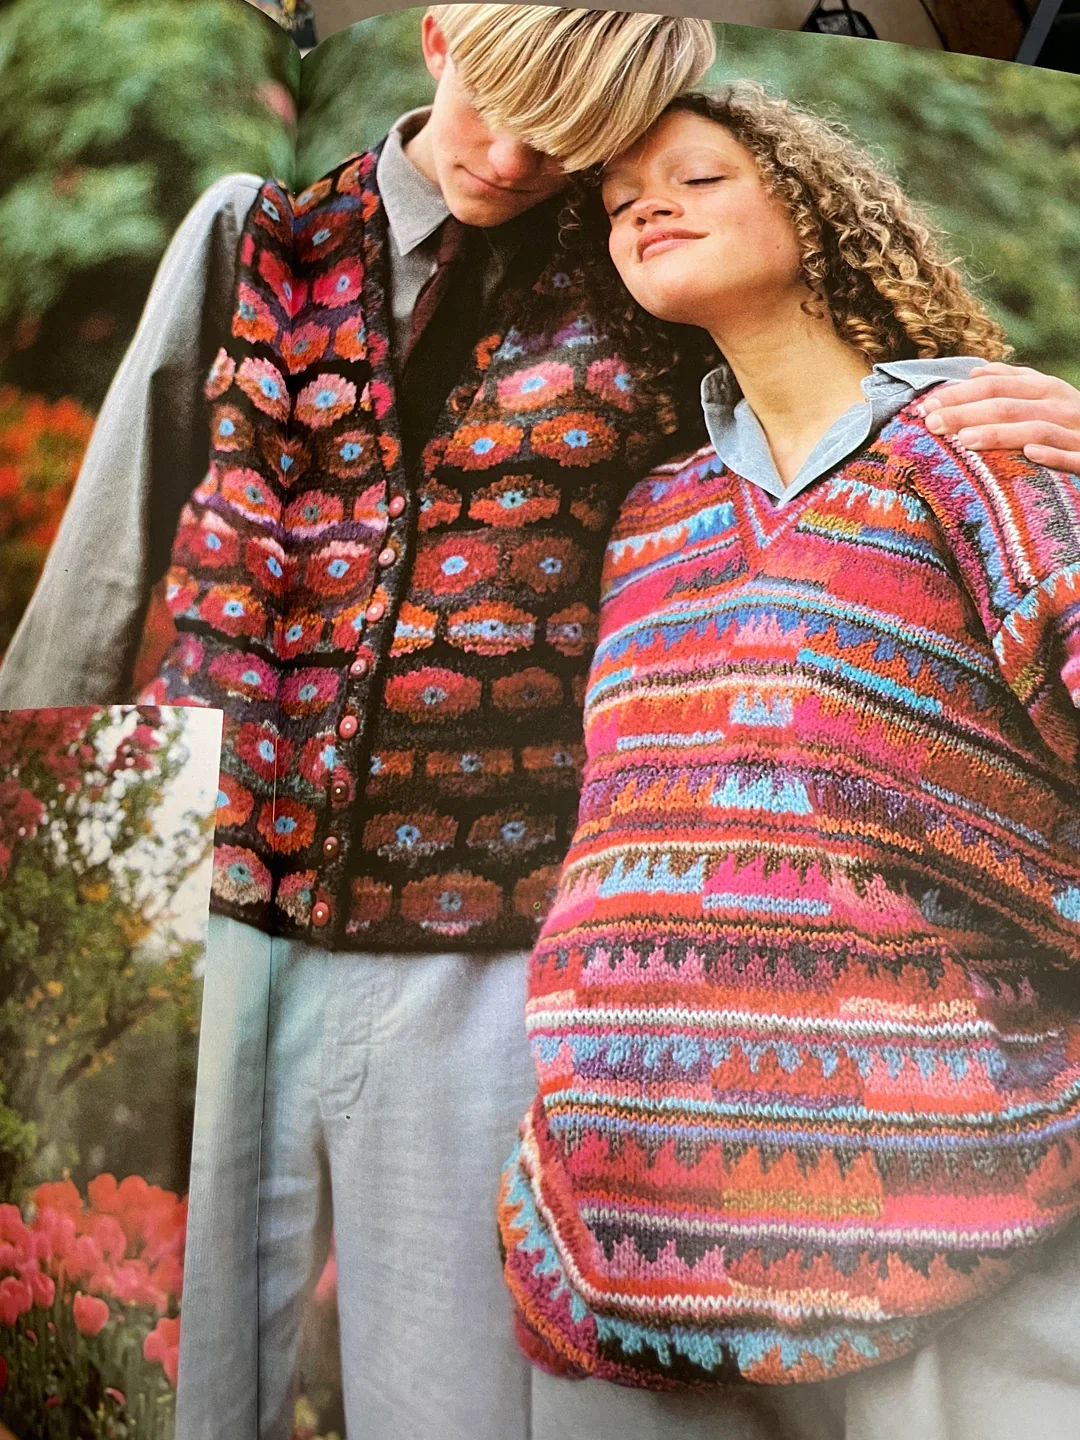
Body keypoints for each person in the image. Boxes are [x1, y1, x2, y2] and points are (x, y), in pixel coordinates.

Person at [0, 9, 1079, 1439]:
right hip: (223, 887)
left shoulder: (630, 275)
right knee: (153, 1375)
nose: (515, 160)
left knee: (438, 1399)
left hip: (484, 931)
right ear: (437, 40)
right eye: (500, 107)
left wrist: (994, 403)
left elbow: (801, 424)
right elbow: (111, 539)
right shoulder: (256, 232)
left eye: (569, 141)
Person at [499, 85, 1080, 1440]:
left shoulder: (983, 448)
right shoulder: (654, 518)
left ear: (817, 213)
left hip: (939, 1202)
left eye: (697, 176)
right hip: (621, 1231)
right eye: (621, 200)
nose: (649, 205)